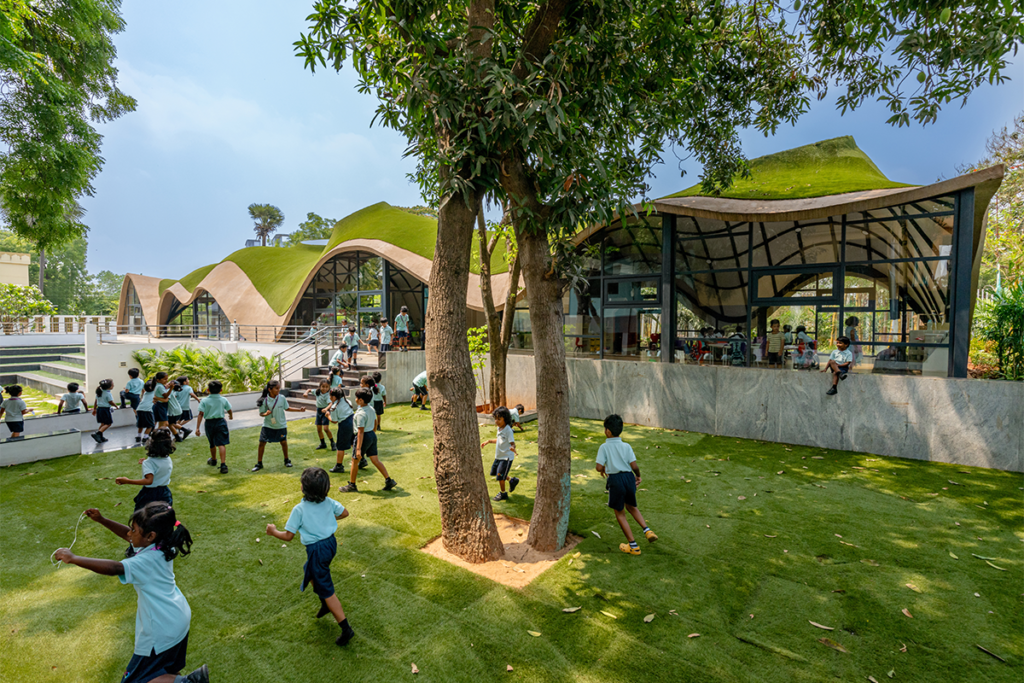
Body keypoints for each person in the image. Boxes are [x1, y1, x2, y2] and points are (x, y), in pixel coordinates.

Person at [53, 503, 208, 683]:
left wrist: (74, 558)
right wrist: (102, 520)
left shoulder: (146, 561)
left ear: (151, 536)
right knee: (163, 670)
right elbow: (131, 537)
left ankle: (190, 682)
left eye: (134, 530)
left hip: (160, 629)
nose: (130, 533)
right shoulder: (163, 545)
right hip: (177, 618)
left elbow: (115, 568)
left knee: (135, 680)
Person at [265, 467, 355, 647]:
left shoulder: (299, 510)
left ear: (303, 488)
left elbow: (288, 536)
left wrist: (273, 531)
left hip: (317, 549)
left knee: (327, 588)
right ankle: (325, 604)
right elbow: (344, 513)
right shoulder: (328, 502)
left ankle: (346, 628)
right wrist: (327, 520)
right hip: (330, 544)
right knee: (309, 570)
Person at [595, 414, 657, 555]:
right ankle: (647, 531)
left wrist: (604, 468)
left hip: (616, 480)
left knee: (620, 513)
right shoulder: (626, 446)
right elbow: (634, 466)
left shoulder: (604, 447)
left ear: (608, 431)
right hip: (629, 477)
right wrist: (638, 476)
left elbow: (598, 467)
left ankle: (633, 546)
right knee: (632, 506)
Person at [339, 387, 397, 493]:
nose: (355, 399)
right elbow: (375, 422)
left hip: (364, 436)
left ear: (361, 400)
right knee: (375, 460)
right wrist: (372, 433)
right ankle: (389, 480)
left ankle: (352, 485)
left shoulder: (360, 414)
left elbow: (360, 432)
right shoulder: (371, 408)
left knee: (354, 461)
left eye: (356, 398)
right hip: (371, 435)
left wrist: (358, 449)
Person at [251, 380, 306, 472]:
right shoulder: (265, 400)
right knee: (262, 443)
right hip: (268, 426)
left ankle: (287, 460)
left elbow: (287, 408)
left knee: (283, 442)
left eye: (279, 388)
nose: (279, 390)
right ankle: (259, 463)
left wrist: (299, 410)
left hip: (281, 425)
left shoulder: (282, 398)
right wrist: (265, 414)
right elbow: (261, 413)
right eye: (276, 388)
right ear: (270, 389)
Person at [117, 428, 175, 509]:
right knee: (163, 514)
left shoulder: (149, 463)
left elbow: (149, 481)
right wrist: (146, 463)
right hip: (165, 493)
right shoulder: (167, 459)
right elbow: (159, 467)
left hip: (150, 494)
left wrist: (127, 481)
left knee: (143, 514)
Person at [480, 406, 518, 501]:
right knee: (495, 473)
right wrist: (489, 441)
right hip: (499, 456)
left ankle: (503, 494)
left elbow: (512, 443)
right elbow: (500, 440)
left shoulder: (508, 430)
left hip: (506, 458)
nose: (496, 421)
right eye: (495, 419)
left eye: (499, 419)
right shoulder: (499, 428)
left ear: (505, 418)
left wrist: (513, 448)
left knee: (500, 477)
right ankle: (512, 480)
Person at [195, 381, 233, 474]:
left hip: (209, 423)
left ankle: (213, 460)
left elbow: (200, 414)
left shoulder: (204, 401)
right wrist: (231, 416)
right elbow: (229, 409)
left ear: (208, 390)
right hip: (221, 422)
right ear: (221, 390)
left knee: (212, 443)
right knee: (221, 444)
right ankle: (223, 465)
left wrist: (197, 428)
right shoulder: (223, 399)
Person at [325, 387, 354, 474]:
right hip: (353, 422)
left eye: (330, 396)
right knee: (353, 442)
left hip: (344, 425)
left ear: (334, 397)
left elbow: (334, 421)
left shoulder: (334, 407)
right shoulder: (348, 401)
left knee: (340, 446)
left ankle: (339, 466)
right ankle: (361, 460)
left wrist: (328, 416)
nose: (330, 397)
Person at [91, 379, 118, 444]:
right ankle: (98, 433)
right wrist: (115, 406)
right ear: (109, 387)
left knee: (102, 424)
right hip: (105, 410)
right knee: (108, 423)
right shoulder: (108, 393)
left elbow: (96, 401)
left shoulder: (99, 392)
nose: (113, 385)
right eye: (112, 385)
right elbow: (110, 401)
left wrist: (94, 409)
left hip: (99, 409)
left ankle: (100, 437)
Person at [136, 379, 158, 444]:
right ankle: (145, 437)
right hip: (148, 410)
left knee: (140, 424)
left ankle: (138, 436)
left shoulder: (145, 393)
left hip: (139, 409)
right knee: (150, 425)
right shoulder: (155, 393)